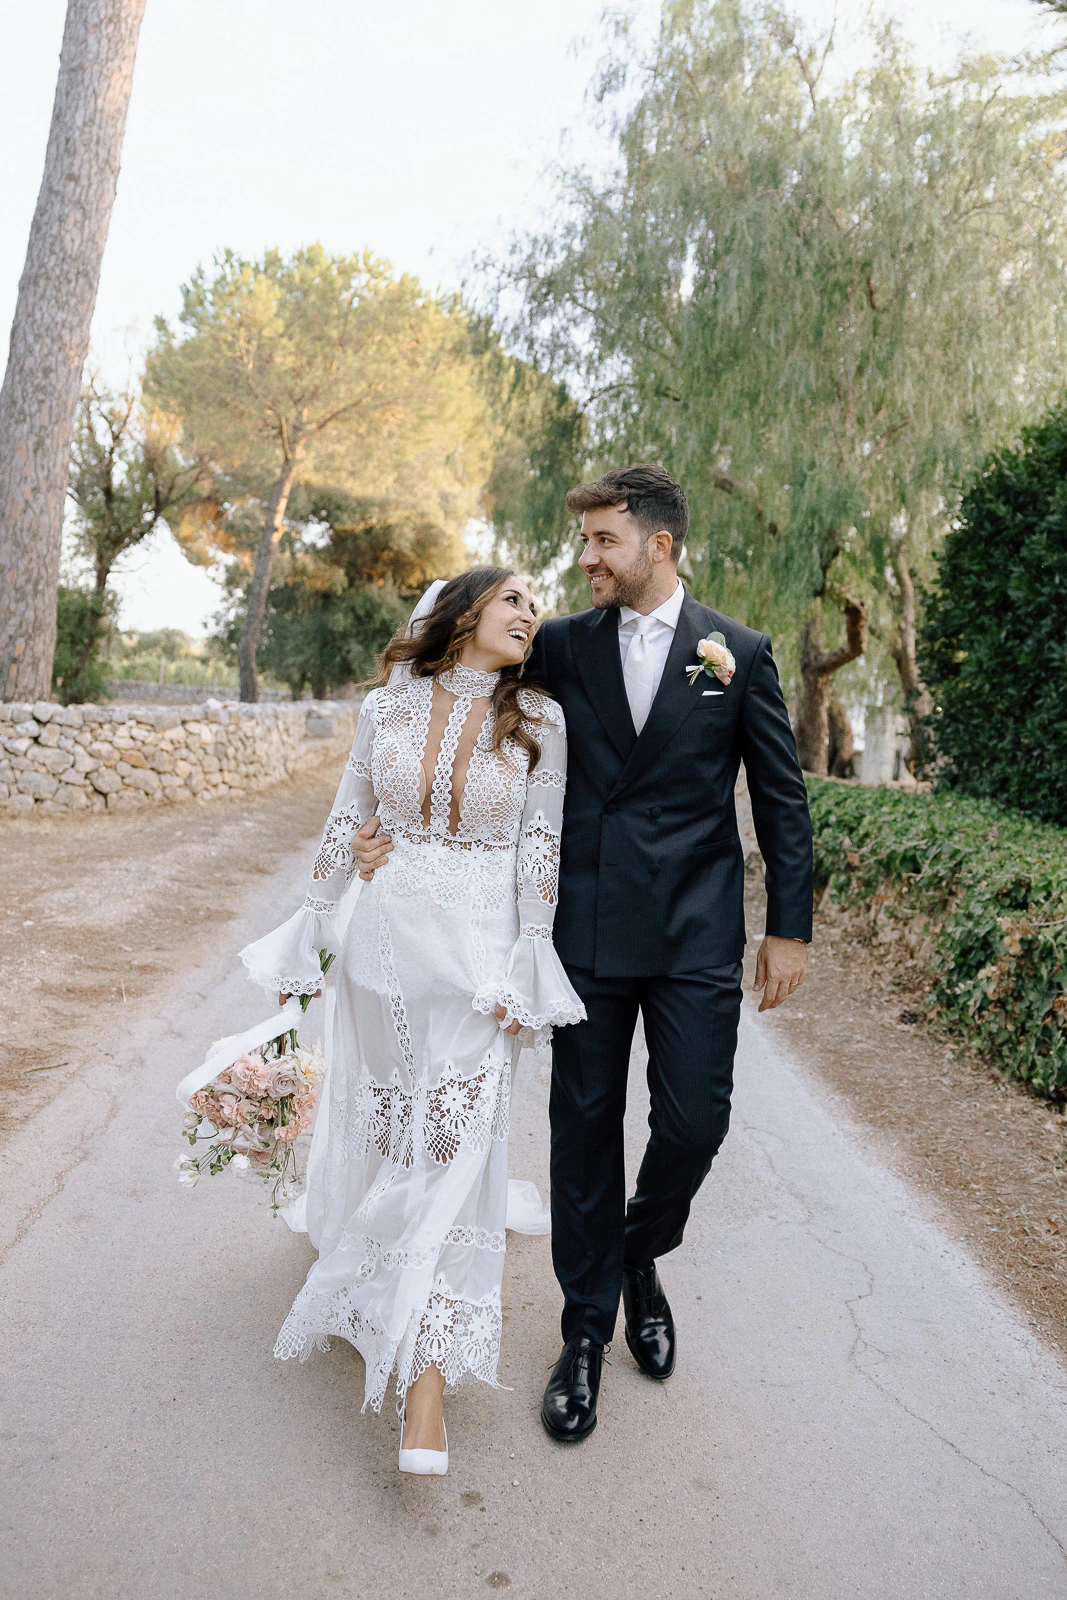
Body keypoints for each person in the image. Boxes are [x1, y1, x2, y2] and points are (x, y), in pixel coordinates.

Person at [354, 465, 813, 1444]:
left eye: (604, 540)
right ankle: (583, 1332)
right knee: (583, 1129)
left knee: (693, 1123)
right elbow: (454, 709)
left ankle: (635, 1252)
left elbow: (779, 797)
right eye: (585, 541)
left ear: (658, 544)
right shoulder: (558, 644)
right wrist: (394, 824)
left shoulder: (735, 654)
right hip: (585, 932)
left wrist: (789, 926)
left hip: (693, 931)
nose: (587, 559)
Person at [238, 568, 585, 1476]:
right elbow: (346, 818)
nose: (529, 614)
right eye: (513, 599)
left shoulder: (540, 718)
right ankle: (384, 1291)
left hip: (481, 959)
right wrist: (311, 927)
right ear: (464, 612)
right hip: (386, 946)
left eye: (533, 604)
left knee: (456, 1144)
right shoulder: (386, 708)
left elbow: (540, 845)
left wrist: (530, 953)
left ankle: (425, 1378)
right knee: (396, 1129)